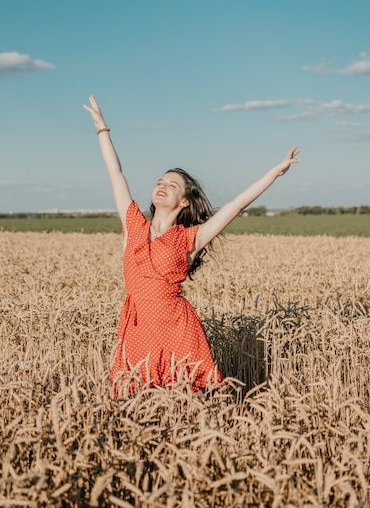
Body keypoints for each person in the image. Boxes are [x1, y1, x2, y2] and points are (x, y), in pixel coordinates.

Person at [84, 95, 301, 396]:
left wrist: (273, 174)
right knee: (131, 400)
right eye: (160, 181)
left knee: (186, 401)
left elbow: (236, 206)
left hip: (177, 328)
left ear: (184, 201)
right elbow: (116, 174)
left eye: (172, 185)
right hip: (136, 327)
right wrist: (102, 129)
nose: (162, 186)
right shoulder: (133, 224)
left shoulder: (191, 238)